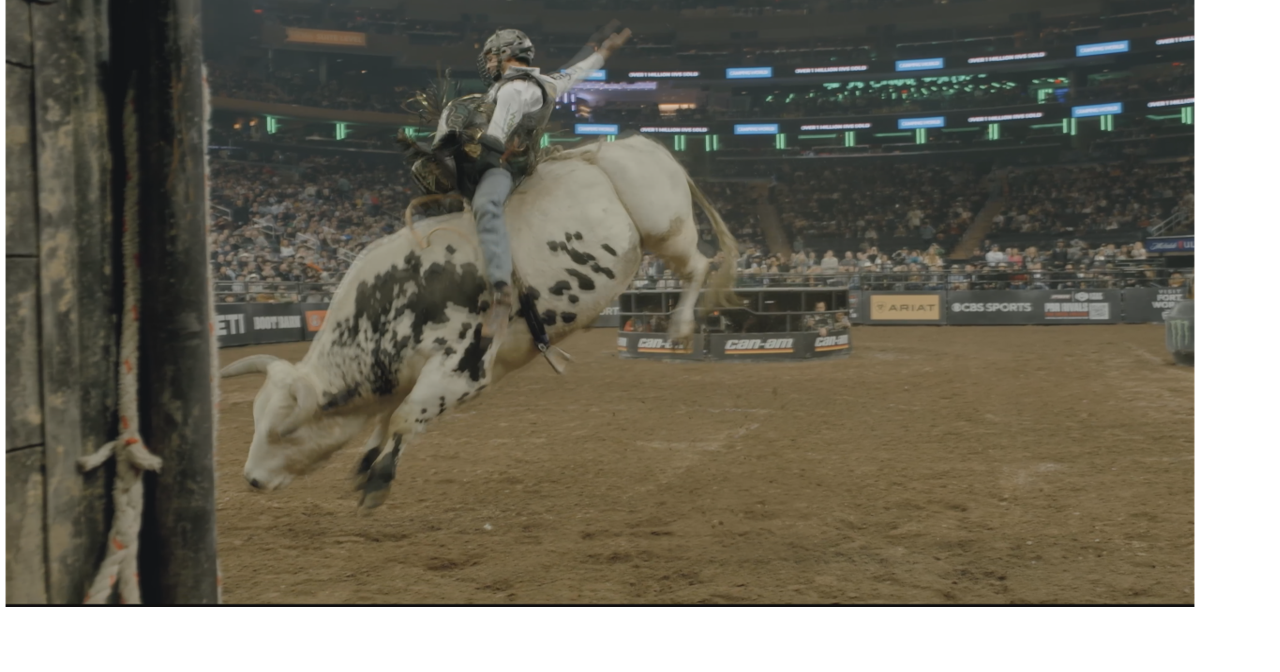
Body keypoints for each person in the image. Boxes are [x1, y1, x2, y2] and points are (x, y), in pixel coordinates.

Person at [402, 26, 632, 345]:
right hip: (504, 160)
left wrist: (452, 157)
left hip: (501, 167)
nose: (488, 63)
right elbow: (580, 70)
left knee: (484, 205)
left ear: (506, 55)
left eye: (491, 56)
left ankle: (501, 293)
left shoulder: (513, 90)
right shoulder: (547, 81)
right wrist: (605, 51)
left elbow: (493, 145)